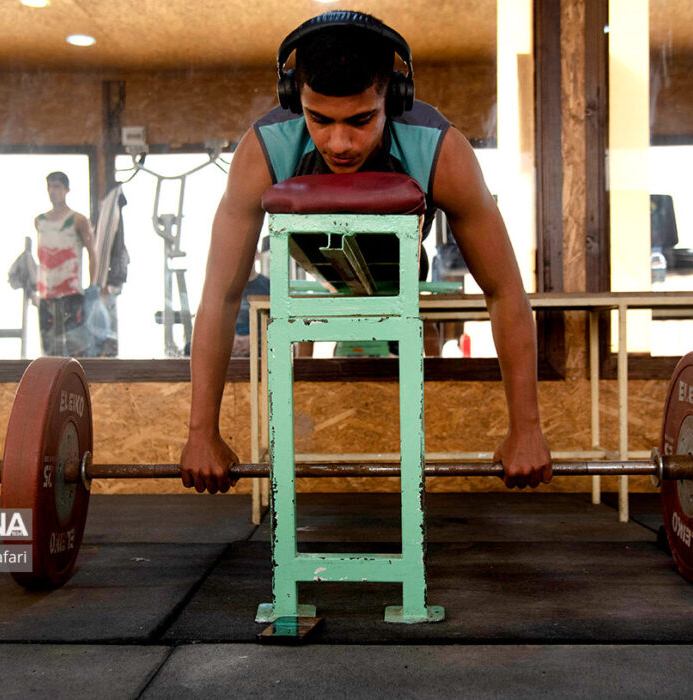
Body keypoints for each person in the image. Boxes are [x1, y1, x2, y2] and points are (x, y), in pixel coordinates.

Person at [179, 11, 552, 492]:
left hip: (400, 262)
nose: (340, 142)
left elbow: (504, 292)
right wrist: (200, 433)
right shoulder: (263, 150)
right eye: (319, 119)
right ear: (295, 99)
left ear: (393, 100)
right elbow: (221, 297)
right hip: (320, 254)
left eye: (360, 120)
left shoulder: (441, 150)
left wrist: (525, 428)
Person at [34, 171, 95, 356]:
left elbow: (92, 253)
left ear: (66, 190)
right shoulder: (40, 221)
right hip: (47, 294)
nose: (53, 191)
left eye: (57, 187)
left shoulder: (77, 220)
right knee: (49, 351)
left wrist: (93, 287)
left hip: (71, 293)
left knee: (75, 350)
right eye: (50, 187)